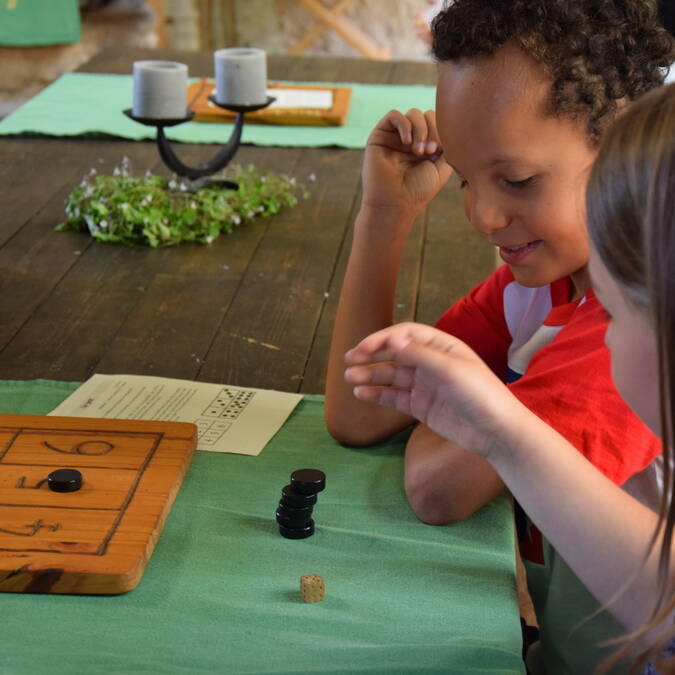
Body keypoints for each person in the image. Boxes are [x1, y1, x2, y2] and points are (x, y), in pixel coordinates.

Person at [324, 0, 674, 670]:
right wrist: (384, 212)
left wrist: (472, 407)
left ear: (618, 140)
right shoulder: (543, 285)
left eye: (516, 180)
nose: (482, 215)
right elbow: (360, 407)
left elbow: (437, 487)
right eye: (463, 177)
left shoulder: (630, 330)